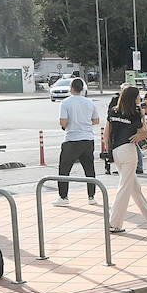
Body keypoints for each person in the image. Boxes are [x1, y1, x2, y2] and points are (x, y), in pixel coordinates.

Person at [106, 85, 147, 233]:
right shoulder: (134, 113)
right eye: (138, 96)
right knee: (124, 187)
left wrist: (108, 151)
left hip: (116, 151)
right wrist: (142, 115)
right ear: (134, 98)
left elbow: (106, 134)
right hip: (128, 151)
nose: (140, 99)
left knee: (133, 185)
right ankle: (114, 223)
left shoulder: (113, 111)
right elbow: (144, 132)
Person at [55, 77, 100, 206]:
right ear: (82, 89)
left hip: (72, 139)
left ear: (71, 88)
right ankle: (91, 196)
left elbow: (63, 122)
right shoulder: (90, 102)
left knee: (64, 169)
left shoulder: (65, 103)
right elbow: (96, 121)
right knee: (89, 169)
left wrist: (68, 124)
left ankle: (63, 197)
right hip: (88, 139)